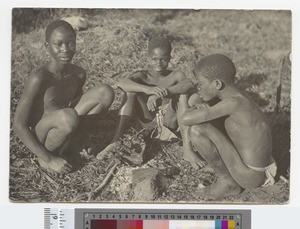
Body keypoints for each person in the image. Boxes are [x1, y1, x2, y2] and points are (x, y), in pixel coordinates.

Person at [13, 20, 115, 174]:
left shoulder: (79, 73)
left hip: (67, 121)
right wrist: (48, 158)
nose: (65, 49)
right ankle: (51, 155)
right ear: (47, 46)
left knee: (105, 92)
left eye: (70, 43)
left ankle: (75, 143)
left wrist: (83, 134)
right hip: (43, 135)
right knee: (68, 116)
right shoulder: (39, 78)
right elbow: (18, 125)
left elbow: (79, 106)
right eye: (58, 44)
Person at [96, 37, 205, 168]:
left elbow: (188, 84)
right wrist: (148, 90)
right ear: (148, 58)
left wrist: (165, 92)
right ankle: (116, 140)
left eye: (163, 59)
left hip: (168, 124)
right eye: (154, 59)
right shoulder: (142, 76)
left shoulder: (175, 75)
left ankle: (187, 149)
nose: (158, 63)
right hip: (148, 124)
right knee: (130, 91)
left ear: (170, 58)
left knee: (182, 95)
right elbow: (122, 83)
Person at [180, 54, 277, 200]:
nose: (198, 88)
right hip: (259, 166)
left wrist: (196, 106)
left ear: (217, 84)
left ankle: (228, 183)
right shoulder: (236, 96)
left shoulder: (233, 103)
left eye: (200, 84)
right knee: (208, 115)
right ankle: (226, 170)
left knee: (197, 129)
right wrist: (200, 100)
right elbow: (201, 100)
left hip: (251, 175)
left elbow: (185, 118)